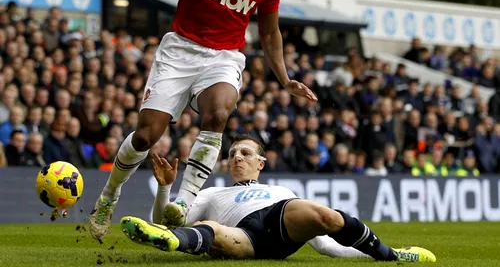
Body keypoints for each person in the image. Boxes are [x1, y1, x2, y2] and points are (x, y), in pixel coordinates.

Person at [89, 0, 317, 241]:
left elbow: (269, 30)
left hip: (224, 57)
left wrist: (285, 80)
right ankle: (109, 196)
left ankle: (184, 201)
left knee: (218, 114)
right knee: (145, 136)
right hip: (180, 50)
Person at [120, 135, 436, 262]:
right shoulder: (211, 192)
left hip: (279, 220)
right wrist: (164, 189)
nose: (236, 158)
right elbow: (165, 221)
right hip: (244, 236)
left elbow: (326, 245)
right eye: (232, 154)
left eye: (245, 153)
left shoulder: (281, 193)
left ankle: (391, 255)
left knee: (326, 217)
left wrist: (366, 256)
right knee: (209, 229)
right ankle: (171, 243)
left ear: (261, 163)